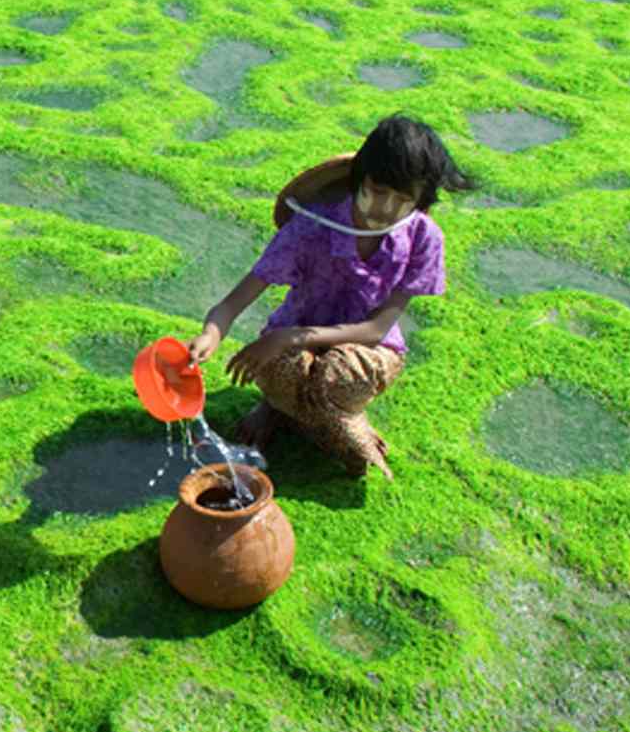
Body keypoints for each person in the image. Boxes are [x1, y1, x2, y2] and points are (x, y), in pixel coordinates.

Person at [185, 116, 473, 479]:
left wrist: (294, 336)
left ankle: (339, 414)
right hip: (292, 340)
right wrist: (211, 333)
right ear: (359, 180)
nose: (385, 208)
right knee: (284, 364)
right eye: (378, 191)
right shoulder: (312, 225)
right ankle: (277, 407)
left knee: (340, 376)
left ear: (419, 202)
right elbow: (235, 300)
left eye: (401, 199)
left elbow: (377, 328)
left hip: (367, 347)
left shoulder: (423, 237)